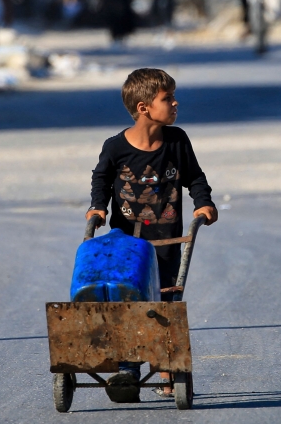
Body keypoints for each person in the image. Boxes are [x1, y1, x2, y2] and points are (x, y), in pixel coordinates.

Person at [86, 68, 218, 399]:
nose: (175, 103)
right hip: (128, 243)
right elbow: (101, 179)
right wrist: (97, 207)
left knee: (166, 301)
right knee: (128, 300)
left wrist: (203, 203)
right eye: (167, 99)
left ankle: (165, 364)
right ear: (144, 107)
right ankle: (128, 371)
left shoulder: (177, 141)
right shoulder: (115, 147)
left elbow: (195, 177)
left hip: (169, 240)